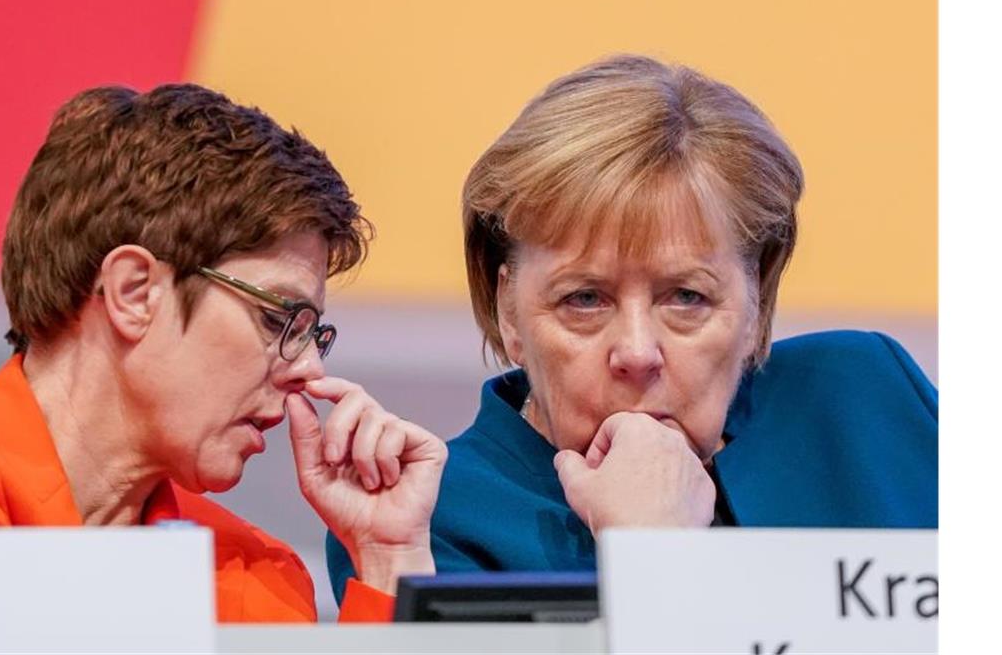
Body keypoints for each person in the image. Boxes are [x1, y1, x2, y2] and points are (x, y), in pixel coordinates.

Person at [327, 54, 937, 596]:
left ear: (758, 296)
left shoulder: (865, 400)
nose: (639, 352)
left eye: (688, 297)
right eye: (585, 299)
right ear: (507, 305)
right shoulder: (424, 521)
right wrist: (652, 558)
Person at [0, 84, 448, 623]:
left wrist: (389, 564)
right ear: (134, 292)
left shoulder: (255, 580)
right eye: (277, 318)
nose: (310, 371)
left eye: (312, 333)